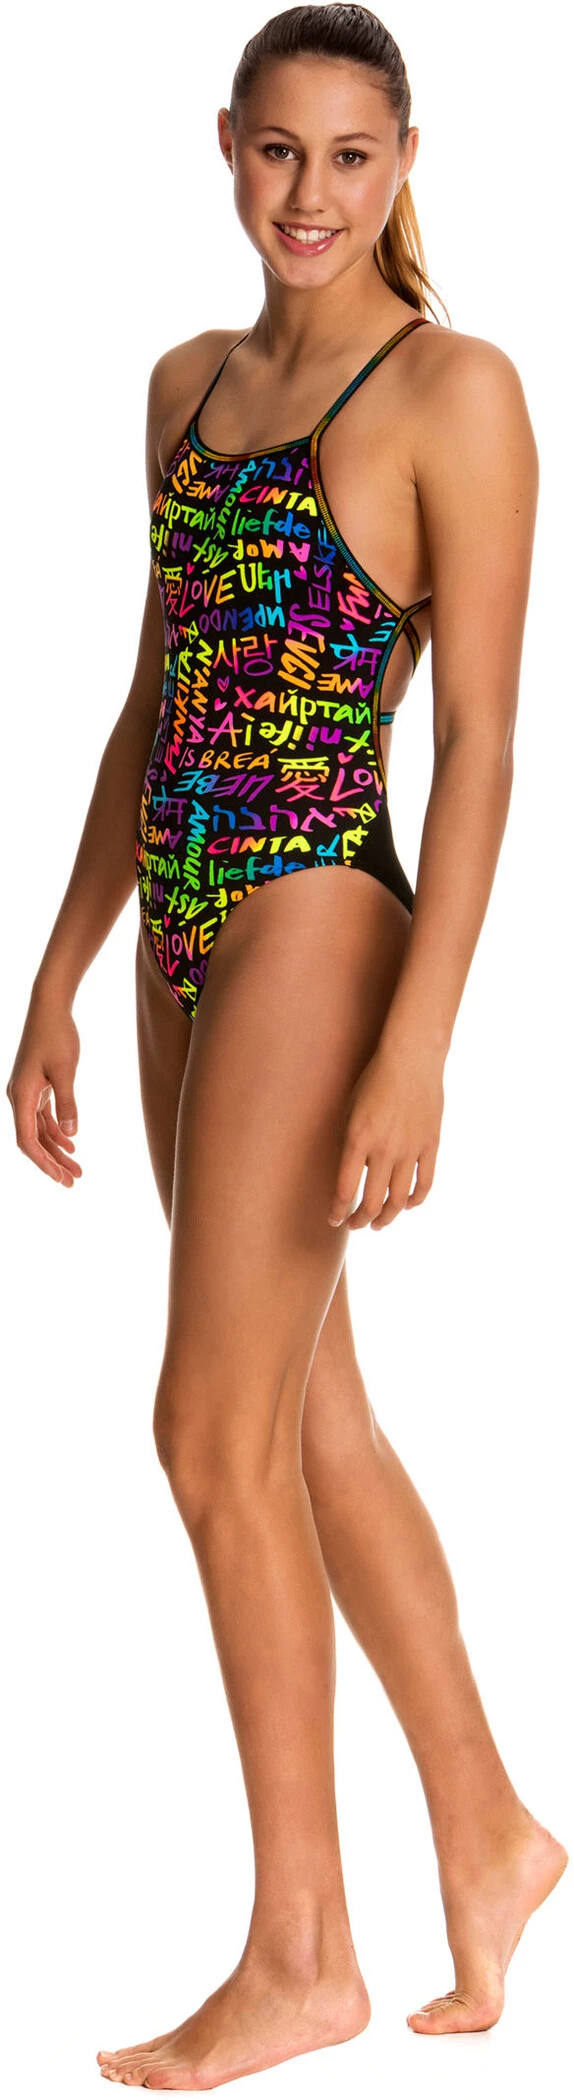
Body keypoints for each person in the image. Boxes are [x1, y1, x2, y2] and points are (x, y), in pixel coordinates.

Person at [6, 3, 568, 2088]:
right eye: (277, 151)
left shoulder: (453, 391)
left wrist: (420, 1045)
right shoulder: (183, 386)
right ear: (223, 147)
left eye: (349, 155)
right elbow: (154, 697)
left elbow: (484, 739)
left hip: (321, 902)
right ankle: (489, 1832)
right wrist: (61, 968)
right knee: (303, 1424)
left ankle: (300, 1954)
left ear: (404, 158)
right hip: (177, 916)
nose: (308, 193)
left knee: (202, 1433)